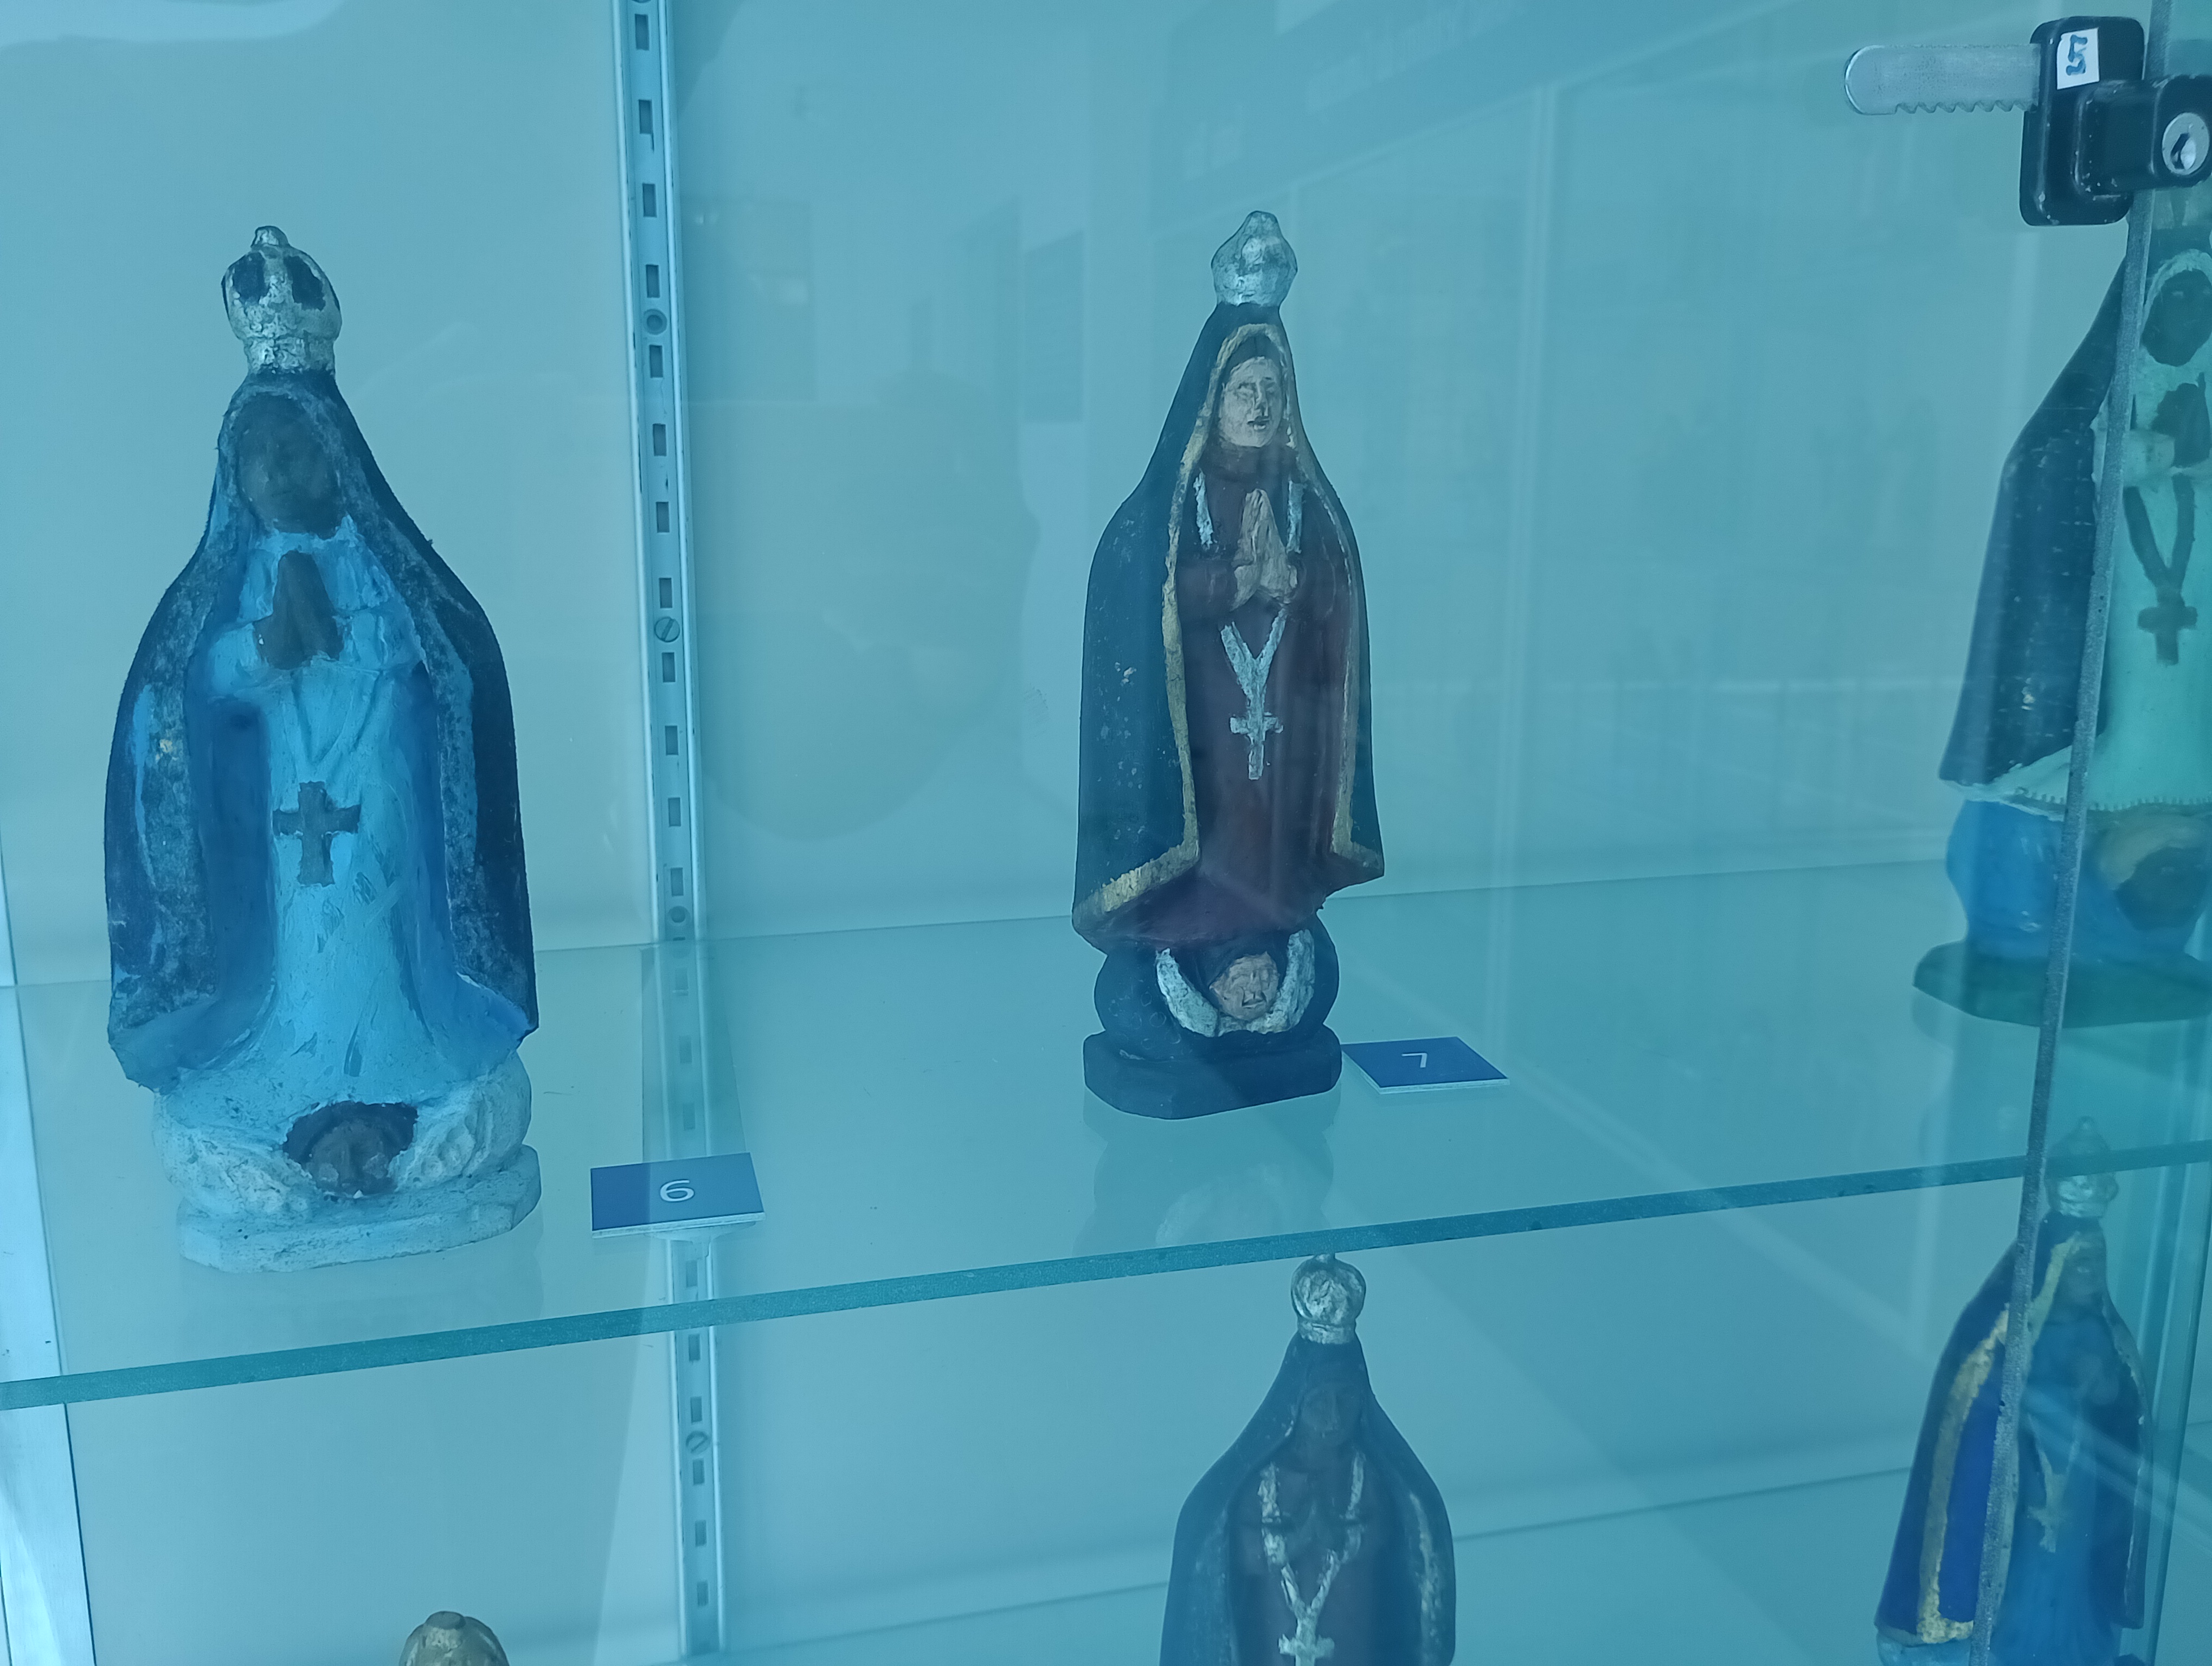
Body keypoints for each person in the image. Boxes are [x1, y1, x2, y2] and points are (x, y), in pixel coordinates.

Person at [105, 228, 538, 1269]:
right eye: (257, 454)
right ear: (232, 467)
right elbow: (184, 692)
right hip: (281, 803)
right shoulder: (228, 583)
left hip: (376, 792)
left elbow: (443, 660)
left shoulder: (382, 562)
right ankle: (295, 1075)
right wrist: (264, 647)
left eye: (297, 450)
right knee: (304, 932)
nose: (277, 471)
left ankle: (395, 1061)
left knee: (374, 921)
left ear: (338, 457)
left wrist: (347, 635)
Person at [1075, 212, 1381, 1116]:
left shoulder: (1309, 508)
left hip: (1282, 729)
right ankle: (1193, 941)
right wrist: (1231, 582)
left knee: (1269, 834)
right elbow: (1134, 591)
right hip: (1198, 733)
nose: (1258, 406)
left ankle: (1268, 931)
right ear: (1210, 400)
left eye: (1271, 390)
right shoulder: (1163, 513)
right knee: (1205, 833)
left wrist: (1300, 585)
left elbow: (1337, 605)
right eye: (1243, 388)